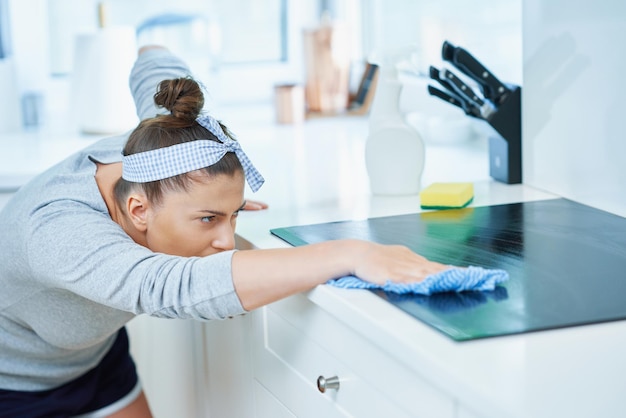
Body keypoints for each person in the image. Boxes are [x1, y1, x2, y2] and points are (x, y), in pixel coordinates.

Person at [0, 45, 449, 417]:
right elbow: (172, 287)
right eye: (209, 221)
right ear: (138, 210)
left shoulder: (162, 143)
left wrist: (210, 206)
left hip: (94, 358)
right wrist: (351, 253)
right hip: (14, 386)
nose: (226, 241)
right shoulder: (57, 231)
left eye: (231, 216)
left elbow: (153, 63)